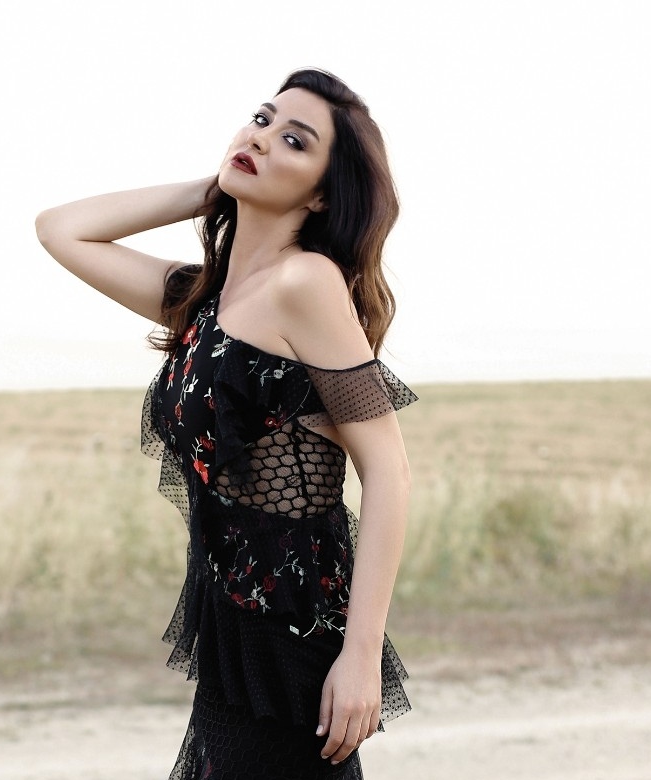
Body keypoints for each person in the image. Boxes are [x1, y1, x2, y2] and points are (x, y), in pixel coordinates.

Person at [35, 67, 415, 780]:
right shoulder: (204, 299)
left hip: (294, 633)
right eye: (261, 120)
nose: (262, 138)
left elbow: (389, 469)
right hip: (231, 624)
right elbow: (61, 230)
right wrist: (214, 187)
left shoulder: (306, 283)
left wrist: (362, 655)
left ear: (323, 194)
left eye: (295, 141)